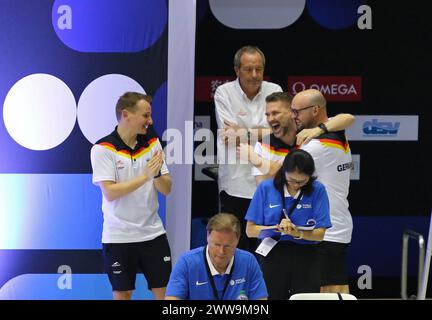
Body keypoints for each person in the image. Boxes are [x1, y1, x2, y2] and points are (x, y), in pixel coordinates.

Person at [90, 92, 172, 300]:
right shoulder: (102, 148)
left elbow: (166, 189)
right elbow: (110, 192)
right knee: (123, 294)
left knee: (164, 292)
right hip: (118, 236)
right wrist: (145, 176)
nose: (150, 121)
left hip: (153, 233)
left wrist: (155, 175)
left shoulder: (152, 143)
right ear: (126, 114)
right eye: (146, 116)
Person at [214, 45, 282, 252]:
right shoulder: (224, 93)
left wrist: (243, 133)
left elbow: (277, 131)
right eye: (248, 69)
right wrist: (263, 130)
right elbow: (229, 136)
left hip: (268, 182)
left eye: (259, 69)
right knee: (235, 251)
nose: (255, 75)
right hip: (235, 185)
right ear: (237, 70)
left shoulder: (275, 91)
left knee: (268, 251)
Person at [245, 149, 332, 299]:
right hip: (273, 252)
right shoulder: (266, 188)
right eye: (291, 180)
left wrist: (298, 233)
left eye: (302, 181)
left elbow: (320, 234)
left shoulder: (318, 190)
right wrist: (276, 228)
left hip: (307, 254)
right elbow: (250, 230)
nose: (296, 185)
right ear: (283, 172)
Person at [291, 89, 353, 294]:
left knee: (329, 292)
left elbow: (283, 175)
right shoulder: (338, 134)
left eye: (297, 111)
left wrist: (253, 158)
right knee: (334, 288)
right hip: (337, 225)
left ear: (315, 110)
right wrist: (320, 129)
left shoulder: (316, 146)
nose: (294, 116)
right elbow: (347, 118)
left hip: (324, 230)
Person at [238, 92, 355, 185]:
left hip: (319, 212)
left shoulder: (313, 142)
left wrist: (254, 158)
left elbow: (348, 118)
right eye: (267, 115)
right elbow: (264, 187)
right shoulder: (263, 145)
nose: (270, 119)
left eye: (276, 113)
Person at [165, 213, 268, 300]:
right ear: (207, 236)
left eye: (227, 246)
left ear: (237, 240)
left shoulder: (248, 262)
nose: (221, 251)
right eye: (217, 245)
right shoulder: (187, 263)